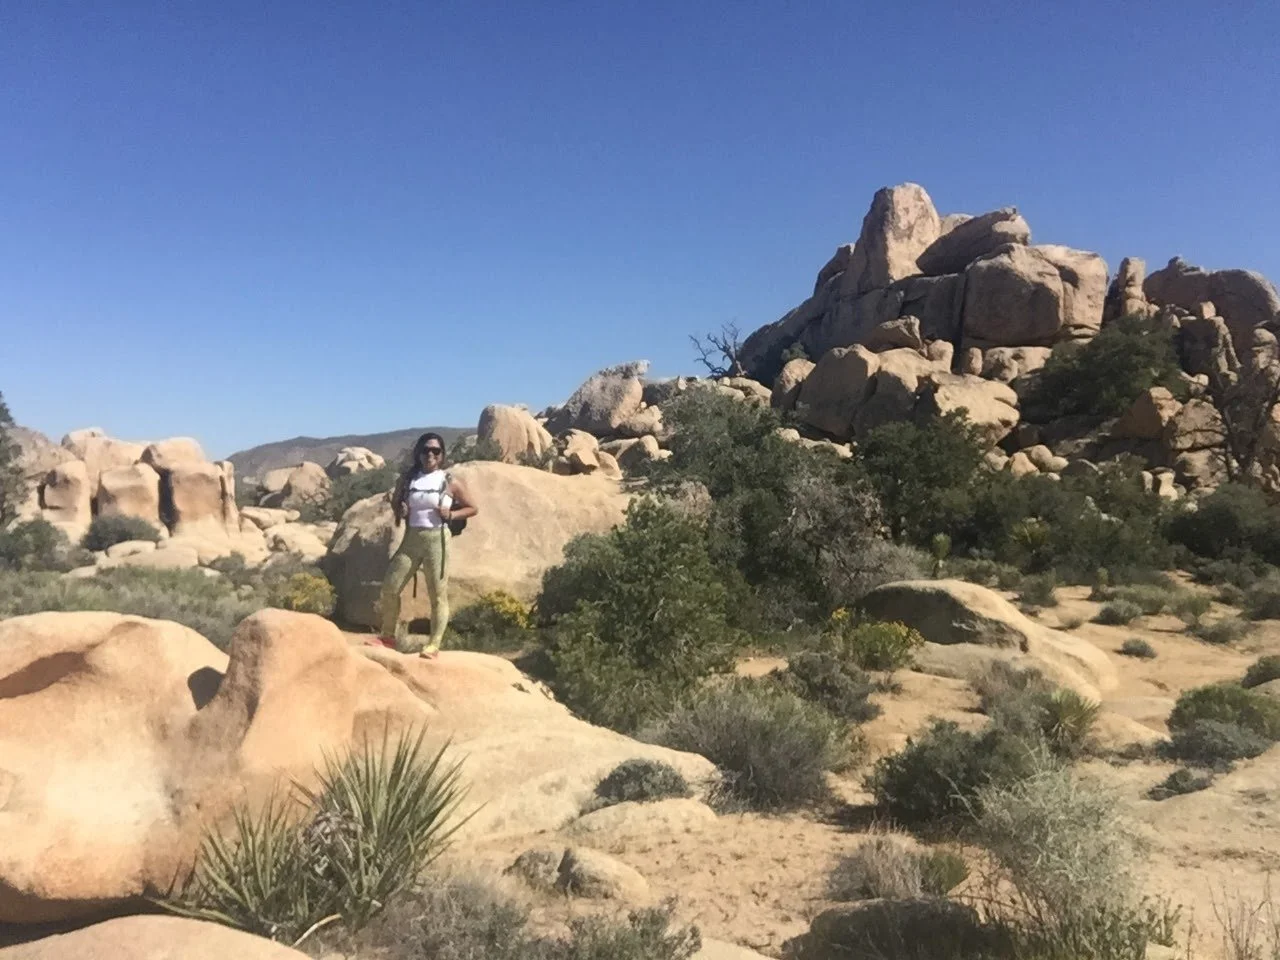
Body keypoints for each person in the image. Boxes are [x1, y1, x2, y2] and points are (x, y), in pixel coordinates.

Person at [375, 432, 478, 656]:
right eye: (425, 450)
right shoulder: (409, 479)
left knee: (437, 594)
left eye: (435, 450)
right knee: (390, 587)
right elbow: (396, 503)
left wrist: (451, 515)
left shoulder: (449, 481)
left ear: (442, 454)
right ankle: (388, 636)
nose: (430, 454)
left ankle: (434, 644)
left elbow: (472, 508)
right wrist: (401, 509)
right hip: (411, 539)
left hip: (437, 540)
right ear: (418, 453)